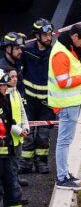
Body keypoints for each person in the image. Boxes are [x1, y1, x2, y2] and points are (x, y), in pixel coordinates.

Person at [48, 24, 81, 191]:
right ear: (74, 37)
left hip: (69, 104)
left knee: (65, 141)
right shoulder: (61, 54)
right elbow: (64, 82)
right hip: (66, 105)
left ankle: (65, 174)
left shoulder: (66, 48)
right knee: (64, 142)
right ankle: (62, 178)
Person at [19, 18, 55, 175]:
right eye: (45, 35)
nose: (49, 37)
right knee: (27, 133)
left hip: (47, 102)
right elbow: (18, 74)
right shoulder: (26, 52)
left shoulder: (54, 53)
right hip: (29, 101)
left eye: (50, 34)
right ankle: (26, 163)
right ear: (37, 35)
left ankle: (41, 162)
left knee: (43, 135)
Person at [0, 68, 22, 206]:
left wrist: (18, 129)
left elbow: (9, 122)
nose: (5, 86)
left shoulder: (3, 100)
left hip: (6, 152)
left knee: (12, 187)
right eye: (2, 85)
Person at [0, 32, 26, 97]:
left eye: (20, 48)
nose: (20, 51)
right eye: (17, 48)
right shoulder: (2, 69)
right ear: (8, 49)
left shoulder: (17, 62)